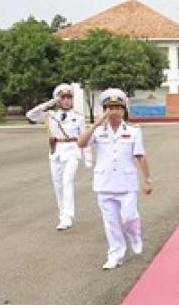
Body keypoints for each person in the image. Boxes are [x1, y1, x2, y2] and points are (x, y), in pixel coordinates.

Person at [78, 89, 153, 270]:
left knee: (129, 217)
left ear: (123, 110)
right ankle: (115, 254)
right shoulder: (98, 131)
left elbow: (140, 156)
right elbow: (81, 143)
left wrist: (147, 179)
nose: (114, 111)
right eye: (110, 108)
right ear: (105, 110)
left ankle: (134, 235)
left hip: (126, 183)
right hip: (104, 183)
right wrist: (97, 123)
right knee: (111, 223)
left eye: (118, 108)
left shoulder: (133, 131)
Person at [26, 84, 91, 230]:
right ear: (58, 100)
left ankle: (68, 216)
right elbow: (30, 115)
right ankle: (62, 215)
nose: (66, 100)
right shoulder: (51, 115)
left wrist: (88, 158)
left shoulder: (78, 118)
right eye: (63, 98)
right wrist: (49, 103)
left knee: (67, 181)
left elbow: (85, 138)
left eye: (69, 97)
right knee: (58, 185)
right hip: (56, 152)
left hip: (72, 151)